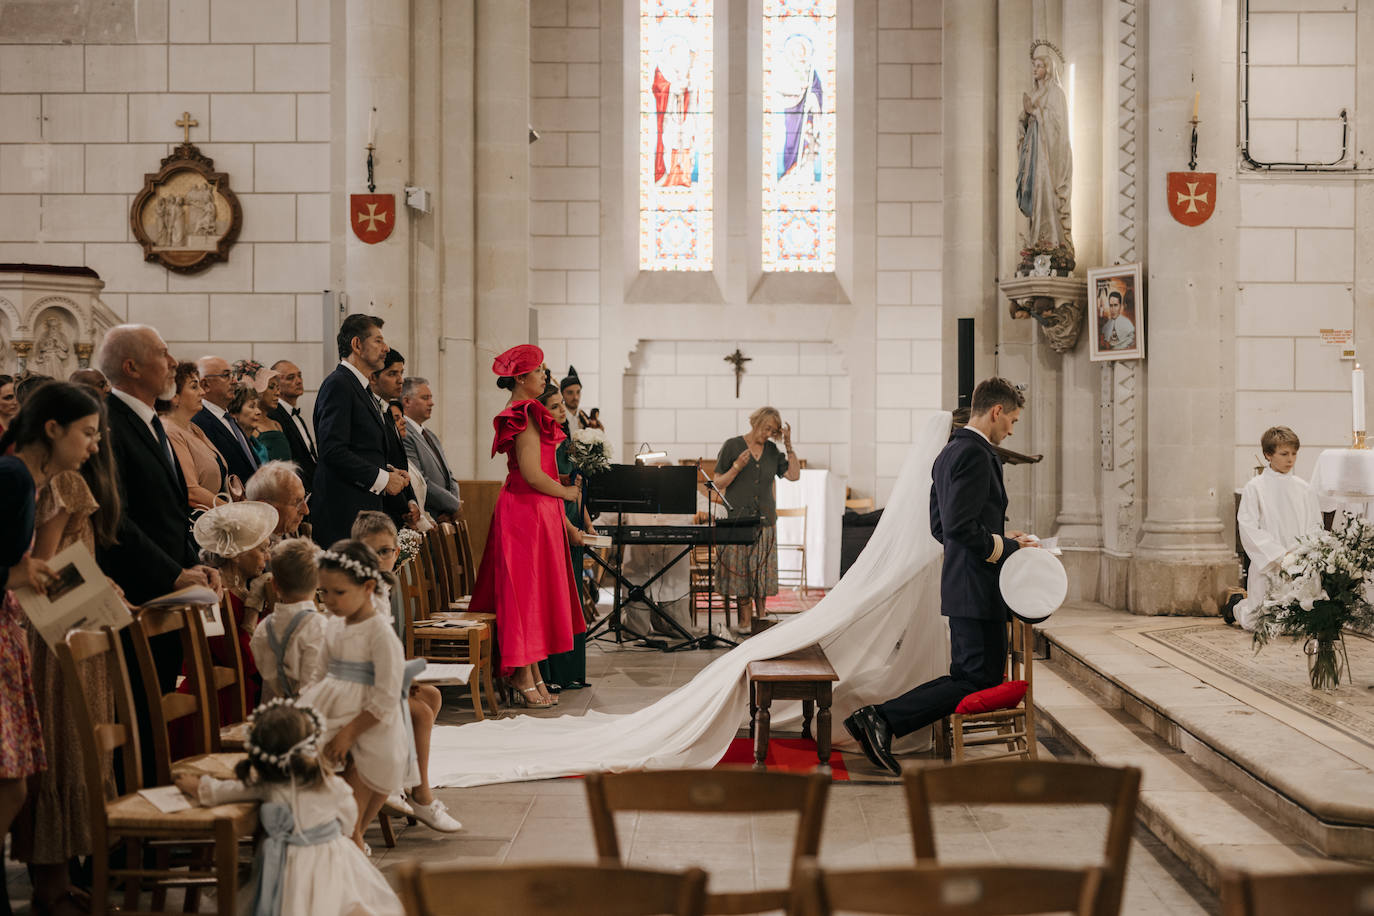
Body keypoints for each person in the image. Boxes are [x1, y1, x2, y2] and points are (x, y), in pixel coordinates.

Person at [844, 378, 1035, 776]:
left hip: (966, 583)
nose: (1012, 430)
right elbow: (960, 529)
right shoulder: (976, 454)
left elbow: (941, 527)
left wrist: (1000, 538)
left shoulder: (949, 452)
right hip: (976, 587)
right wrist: (1009, 548)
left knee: (968, 677)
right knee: (975, 680)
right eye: (1012, 420)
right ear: (996, 411)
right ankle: (879, 719)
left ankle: (879, 719)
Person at [0, 382, 102, 914]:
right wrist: (25, 571)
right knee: (25, 774)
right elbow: (28, 564)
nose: (94, 445)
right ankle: (49, 881)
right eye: (87, 432)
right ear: (53, 428)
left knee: (20, 778)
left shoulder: (29, 476)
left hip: (23, 627)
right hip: (29, 629)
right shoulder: (22, 477)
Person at [173, 701, 404, 916]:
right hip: (333, 854)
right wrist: (337, 834)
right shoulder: (331, 784)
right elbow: (348, 815)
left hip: (289, 861)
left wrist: (197, 786)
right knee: (338, 900)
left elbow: (224, 792)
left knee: (295, 903)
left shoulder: (267, 785)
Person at [470, 345, 584, 709]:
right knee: (524, 595)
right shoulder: (521, 413)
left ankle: (532, 670)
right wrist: (567, 492)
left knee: (534, 595)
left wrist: (562, 515)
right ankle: (521, 671)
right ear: (521, 378)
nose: (545, 378)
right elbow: (533, 475)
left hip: (537, 512)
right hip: (524, 512)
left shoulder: (531, 411)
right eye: (539, 373)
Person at [299, 540, 418, 852]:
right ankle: (338, 835)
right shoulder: (334, 625)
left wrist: (349, 733)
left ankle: (354, 837)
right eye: (323, 592)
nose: (329, 601)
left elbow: (386, 696)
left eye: (339, 593)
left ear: (367, 588)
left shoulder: (380, 633)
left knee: (382, 753)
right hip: (330, 706)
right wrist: (307, 705)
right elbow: (319, 672)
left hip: (369, 716)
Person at [349, 512, 461, 833]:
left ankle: (404, 783)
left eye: (387, 551)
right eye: (373, 553)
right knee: (422, 714)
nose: (381, 559)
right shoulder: (358, 593)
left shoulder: (381, 586)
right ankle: (421, 796)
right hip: (360, 685)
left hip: (380, 678)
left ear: (397, 551)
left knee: (432, 695)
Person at [310, 314, 411, 547]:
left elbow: (359, 447)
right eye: (378, 341)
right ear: (357, 345)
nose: (386, 348)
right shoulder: (339, 384)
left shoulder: (359, 388)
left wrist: (389, 471)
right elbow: (332, 450)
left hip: (359, 510)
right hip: (343, 514)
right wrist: (383, 479)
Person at [711, 406, 802, 634]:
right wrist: (737, 467)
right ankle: (744, 621)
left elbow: (794, 475)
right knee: (741, 572)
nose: (768, 433)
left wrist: (788, 445)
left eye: (773, 430)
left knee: (761, 572)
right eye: (766, 427)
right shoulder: (732, 445)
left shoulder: (772, 451)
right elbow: (718, 483)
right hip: (737, 521)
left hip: (765, 521)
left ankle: (761, 619)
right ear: (755, 422)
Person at [1228, 426, 1323, 631]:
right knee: (1260, 623)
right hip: (1269, 563)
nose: (1290, 459)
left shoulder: (1304, 489)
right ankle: (1237, 606)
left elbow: (1315, 525)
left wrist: (1301, 555)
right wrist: (1280, 555)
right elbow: (1248, 526)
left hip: (1300, 564)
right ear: (1268, 455)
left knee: (1300, 624)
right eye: (1284, 454)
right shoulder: (1255, 487)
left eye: (1294, 454)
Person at [192, 501, 278, 721]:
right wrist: (252, 612)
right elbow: (247, 662)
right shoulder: (213, 596)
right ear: (235, 554)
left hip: (244, 695)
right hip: (217, 708)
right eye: (262, 549)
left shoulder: (245, 590)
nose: (267, 557)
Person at [535, 384, 592, 692]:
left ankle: (571, 671)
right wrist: (568, 528)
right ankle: (553, 672)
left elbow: (575, 486)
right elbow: (545, 489)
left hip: (571, 516)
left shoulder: (562, 438)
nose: (561, 411)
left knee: (572, 599)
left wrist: (585, 521)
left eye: (561, 405)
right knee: (554, 599)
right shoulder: (541, 443)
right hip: (553, 521)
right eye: (555, 406)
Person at [251, 538, 328, 703]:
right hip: (306, 720)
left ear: (275, 585)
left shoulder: (263, 628)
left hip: (269, 715)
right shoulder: (319, 627)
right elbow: (315, 686)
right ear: (319, 582)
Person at [1016, 42, 1074, 258]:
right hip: (1033, 156)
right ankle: (1036, 241)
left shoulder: (1056, 93)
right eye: (1034, 65)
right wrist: (1024, 119)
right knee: (1035, 194)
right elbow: (1025, 124)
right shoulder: (1035, 93)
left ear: (1048, 68)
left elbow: (1059, 126)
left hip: (1047, 158)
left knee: (1046, 194)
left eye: (1039, 65)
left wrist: (1037, 114)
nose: (1035, 69)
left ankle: (1052, 240)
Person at [159, 361, 228, 509]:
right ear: (174, 396)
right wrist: (233, 511)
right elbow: (191, 491)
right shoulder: (170, 431)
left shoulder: (194, 428)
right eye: (194, 386)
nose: (202, 392)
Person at [370, 348, 420, 531]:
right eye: (392, 373)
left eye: (401, 373)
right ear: (373, 378)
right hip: (382, 511)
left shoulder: (389, 413)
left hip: (399, 512)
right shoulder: (371, 412)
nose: (400, 380)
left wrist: (411, 501)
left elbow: (399, 464)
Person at [401, 376, 463, 522]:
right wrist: (453, 505)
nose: (431, 403)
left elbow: (450, 476)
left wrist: (454, 505)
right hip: (426, 514)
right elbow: (421, 480)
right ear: (407, 401)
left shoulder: (430, 435)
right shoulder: (404, 434)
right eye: (425, 398)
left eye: (431, 397)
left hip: (445, 514)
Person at [194, 355, 260, 483]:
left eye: (232, 375)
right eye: (226, 376)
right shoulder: (199, 422)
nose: (234, 381)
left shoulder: (228, 418)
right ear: (205, 384)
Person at [268, 360, 317, 488]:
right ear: (276, 385)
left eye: (299, 375)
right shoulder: (275, 415)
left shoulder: (296, 416)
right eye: (290, 378)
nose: (298, 381)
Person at [389, 399, 434, 533]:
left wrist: (425, 518)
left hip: (416, 526)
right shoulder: (388, 459)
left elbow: (415, 494)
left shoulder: (403, 458)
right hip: (399, 526)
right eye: (397, 419)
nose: (404, 421)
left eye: (402, 417)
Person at [247, 460, 311, 540]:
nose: (306, 511)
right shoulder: (251, 549)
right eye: (297, 503)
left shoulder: (289, 534)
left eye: (303, 499)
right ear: (265, 508)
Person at [252, 367, 294, 462]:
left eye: (278, 388)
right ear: (258, 390)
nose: (277, 393)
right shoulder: (251, 426)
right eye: (271, 387)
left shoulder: (277, 424)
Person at [227, 384, 273, 466]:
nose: (259, 412)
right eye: (252, 406)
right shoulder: (232, 447)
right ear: (234, 413)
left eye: (257, 406)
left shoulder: (260, 448)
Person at [1097, 281, 1136, 351]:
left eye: (1115, 305)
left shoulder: (1128, 324)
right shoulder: (1106, 326)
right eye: (1111, 305)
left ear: (1120, 306)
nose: (1113, 309)